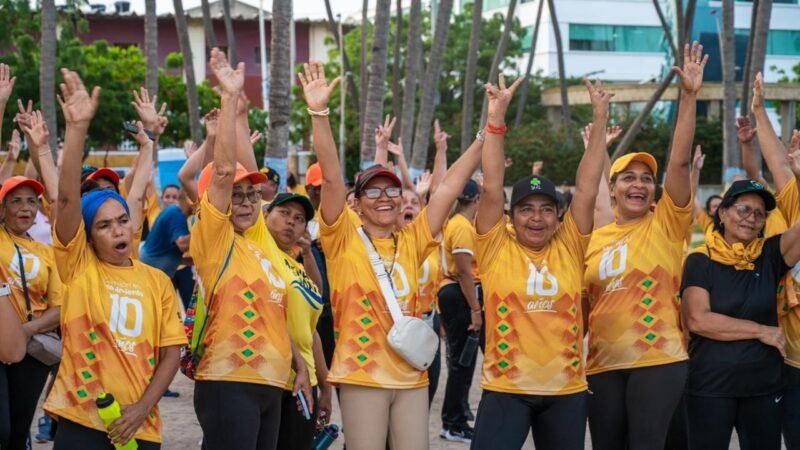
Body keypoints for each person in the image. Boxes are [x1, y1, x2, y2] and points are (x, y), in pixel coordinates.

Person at [302, 60, 485, 450]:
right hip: (361, 373)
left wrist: (487, 134)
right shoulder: (342, 238)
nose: (384, 198)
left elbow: (449, 187)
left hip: (410, 374)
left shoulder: (413, 238)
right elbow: (331, 177)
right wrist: (319, 113)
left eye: (392, 191)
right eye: (373, 191)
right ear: (356, 202)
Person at [44, 68, 185, 449]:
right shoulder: (79, 267)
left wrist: (142, 408)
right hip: (80, 419)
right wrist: (76, 129)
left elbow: (171, 353)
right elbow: (68, 201)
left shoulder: (156, 281)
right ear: (87, 236)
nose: (119, 230)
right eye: (104, 226)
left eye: (123, 220)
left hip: (140, 427)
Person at [469, 77, 611, 450]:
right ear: (511, 216)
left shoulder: (571, 243)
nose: (536, 218)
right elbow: (491, 185)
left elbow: (588, 187)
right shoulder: (495, 244)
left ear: (558, 216)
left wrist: (600, 119)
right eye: (526, 209)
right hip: (506, 390)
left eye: (546, 210)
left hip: (565, 392)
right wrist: (495, 120)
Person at [582, 42, 707, 450]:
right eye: (628, 178)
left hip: (659, 359)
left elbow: (679, 164)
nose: (638, 184)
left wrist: (688, 98)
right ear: (613, 189)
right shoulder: (595, 236)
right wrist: (597, 137)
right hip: (601, 363)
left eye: (644, 179)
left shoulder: (667, 224)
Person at [189, 49, 311, 450]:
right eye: (235, 196)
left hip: (271, 384)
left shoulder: (262, 246)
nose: (245, 202)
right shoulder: (213, 239)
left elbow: (277, 318)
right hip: (228, 381)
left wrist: (299, 368)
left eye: (251, 195)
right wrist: (228, 102)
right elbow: (223, 171)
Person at [682, 177, 800, 450]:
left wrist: (796, 171)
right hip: (711, 385)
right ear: (723, 213)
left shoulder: (770, 254)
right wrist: (761, 330)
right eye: (743, 209)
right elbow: (698, 319)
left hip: (763, 386)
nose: (752, 218)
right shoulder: (701, 260)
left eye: (760, 213)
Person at [261, 193, 332, 450]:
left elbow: (311, 329)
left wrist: (325, 388)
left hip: (305, 385)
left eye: (299, 219)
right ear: (265, 214)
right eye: (284, 213)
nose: (291, 222)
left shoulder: (296, 266)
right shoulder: (259, 252)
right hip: (270, 377)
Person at [0, 175, 62, 450]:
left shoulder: (47, 253)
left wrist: (26, 331)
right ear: (2, 208)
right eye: (16, 201)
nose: (25, 208)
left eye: (31, 201)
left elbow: (60, 307)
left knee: (18, 429)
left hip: (32, 349)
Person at [438, 178, 482, 443]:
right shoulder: (462, 227)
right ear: (476, 200)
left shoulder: (456, 223)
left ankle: (457, 418)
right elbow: (465, 272)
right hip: (458, 293)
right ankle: (452, 422)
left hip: (455, 292)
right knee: (461, 362)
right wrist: (475, 309)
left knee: (462, 361)